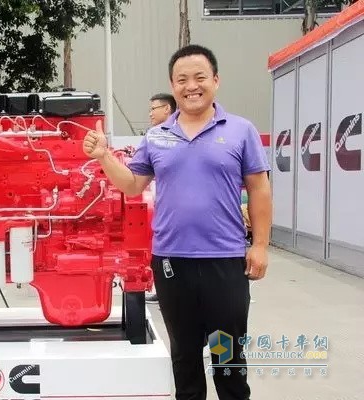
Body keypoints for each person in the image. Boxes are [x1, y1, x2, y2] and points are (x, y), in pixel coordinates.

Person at [83, 44, 271, 400]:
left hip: (225, 260)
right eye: (182, 80)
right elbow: (132, 184)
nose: (191, 86)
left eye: (200, 77)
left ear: (216, 80)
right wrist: (103, 156)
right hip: (171, 261)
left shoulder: (240, 130)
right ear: (173, 86)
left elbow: (259, 189)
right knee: (184, 357)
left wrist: (259, 245)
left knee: (228, 357)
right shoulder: (156, 136)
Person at [145, 93, 176, 304]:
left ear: (167, 109)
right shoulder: (153, 136)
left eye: (153, 109)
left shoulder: (175, 135)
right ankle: (163, 287)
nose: (150, 114)